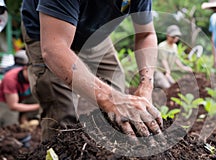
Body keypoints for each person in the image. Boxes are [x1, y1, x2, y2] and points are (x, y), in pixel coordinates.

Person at [21, 0, 163, 142]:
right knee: (64, 115)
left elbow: (146, 34)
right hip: (50, 31)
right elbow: (54, 50)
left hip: (94, 34)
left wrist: (146, 86)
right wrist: (110, 99)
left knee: (118, 99)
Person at [0, 51, 40, 127]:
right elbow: (13, 106)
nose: (35, 74)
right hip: (5, 102)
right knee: (11, 126)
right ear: (25, 68)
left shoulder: (35, 77)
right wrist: (38, 106)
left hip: (21, 98)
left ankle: (25, 119)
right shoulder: (10, 79)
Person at [154, 25, 192, 89]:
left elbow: (176, 59)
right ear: (168, 36)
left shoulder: (175, 47)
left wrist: (184, 67)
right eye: (173, 37)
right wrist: (168, 71)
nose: (175, 39)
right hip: (158, 71)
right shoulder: (162, 46)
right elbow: (164, 60)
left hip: (166, 72)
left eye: (176, 37)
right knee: (167, 87)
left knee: (174, 86)